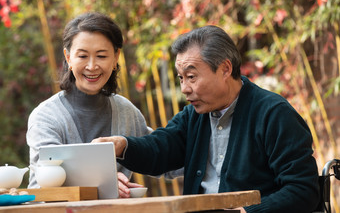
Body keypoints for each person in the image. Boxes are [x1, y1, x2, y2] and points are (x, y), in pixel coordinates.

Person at [93, 25, 320, 212]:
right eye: (181, 78)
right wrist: (122, 145)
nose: (184, 88)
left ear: (225, 69)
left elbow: (302, 189)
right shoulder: (194, 115)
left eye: (191, 77)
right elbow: (162, 147)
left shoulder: (273, 114)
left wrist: (246, 212)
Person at [26, 12, 148, 198]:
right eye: (82, 56)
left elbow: (160, 154)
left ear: (116, 58)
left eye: (101, 56)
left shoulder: (127, 112)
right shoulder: (46, 116)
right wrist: (102, 182)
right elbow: (46, 181)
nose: (92, 66)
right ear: (68, 58)